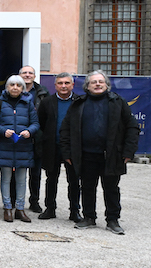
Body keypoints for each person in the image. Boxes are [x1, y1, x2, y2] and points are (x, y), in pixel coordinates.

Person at [60, 70, 139, 235]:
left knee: (111, 188)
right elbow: (66, 129)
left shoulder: (118, 102)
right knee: (87, 187)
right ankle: (89, 217)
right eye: (93, 82)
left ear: (106, 85)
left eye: (100, 82)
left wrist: (128, 152)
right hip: (86, 155)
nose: (97, 84)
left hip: (111, 155)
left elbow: (132, 127)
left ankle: (112, 220)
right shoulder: (78, 104)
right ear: (87, 86)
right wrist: (67, 153)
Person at [0, 75, 40, 223]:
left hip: (23, 147)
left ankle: (20, 208)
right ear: (7, 87)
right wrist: (2, 131)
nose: (15, 87)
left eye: (18, 85)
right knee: (5, 179)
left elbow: (36, 123)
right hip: (5, 146)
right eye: (12, 84)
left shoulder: (28, 104)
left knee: (21, 179)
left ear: (22, 88)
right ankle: (7, 208)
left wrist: (29, 131)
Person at [37, 72, 82, 222]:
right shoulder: (47, 102)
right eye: (60, 83)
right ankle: (50, 208)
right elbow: (41, 123)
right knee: (51, 179)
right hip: (52, 146)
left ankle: (75, 211)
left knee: (74, 180)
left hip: (72, 148)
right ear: (55, 85)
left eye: (67, 83)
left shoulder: (80, 102)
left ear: (72, 85)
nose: (63, 86)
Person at [19, 65, 50, 213]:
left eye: (30, 73)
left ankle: (34, 201)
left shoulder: (43, 93)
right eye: (24, 73)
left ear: (34, 76)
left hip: (37, 137)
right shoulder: (12, 90)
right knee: (17, 172)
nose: (27, 75)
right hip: (18, 137)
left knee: (35, 173)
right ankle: (15, 200)